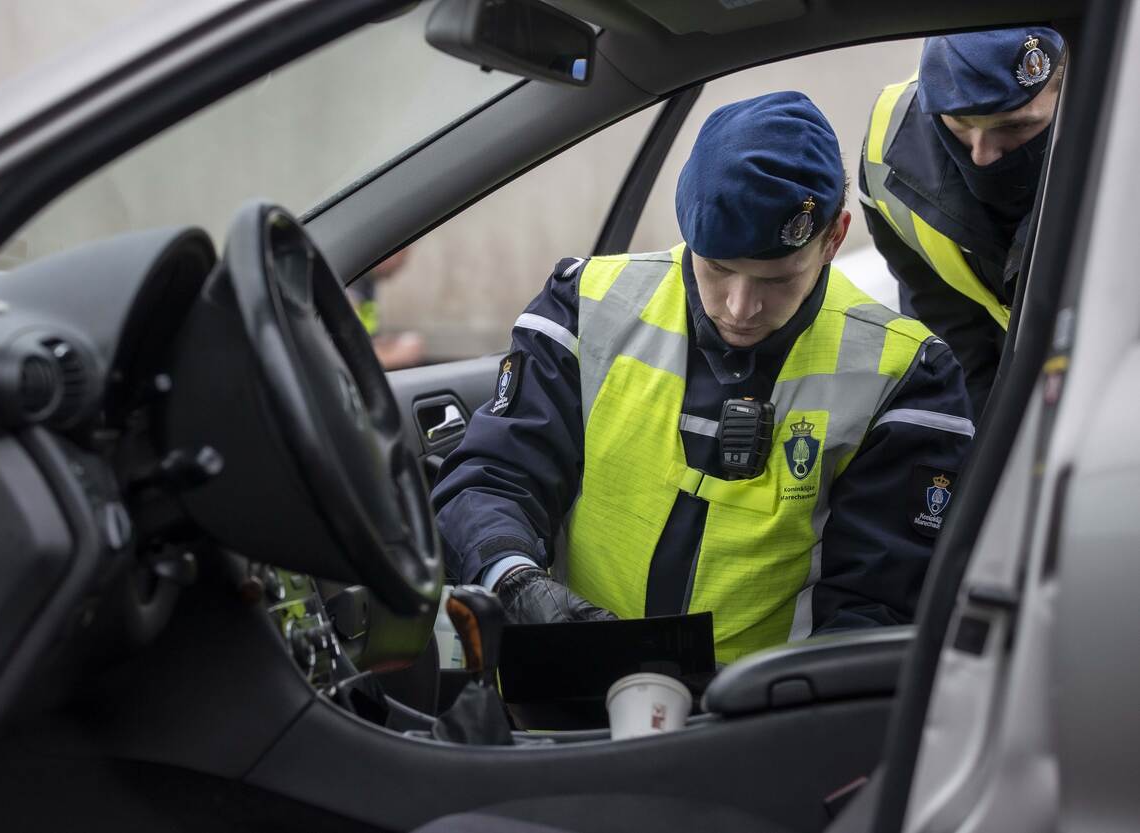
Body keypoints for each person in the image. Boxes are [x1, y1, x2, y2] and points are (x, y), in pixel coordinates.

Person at [431, 92, 974, 664]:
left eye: (777, 279)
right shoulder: (585, 304)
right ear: (687, 225)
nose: (740, 308)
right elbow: (494, 476)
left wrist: (784, 702)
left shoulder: (906, 375)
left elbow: (880, 601)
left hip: (758, 710)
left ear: (834, 239)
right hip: (566, 690)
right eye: (717, 267)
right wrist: (515, 582)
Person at [859, 28, 1065, 417]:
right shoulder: (889, 146)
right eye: (959, 121)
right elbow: (951, 338)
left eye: (1015, 126)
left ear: (1072, 86)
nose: (982, 156)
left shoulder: (1117, 125)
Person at [348, 247, 426, 369]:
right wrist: (395, 356)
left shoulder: (368, 284)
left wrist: (385, 344)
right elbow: (348, 357)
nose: (402, 265)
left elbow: (362, 336)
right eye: (401, 256)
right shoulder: (352, 288)